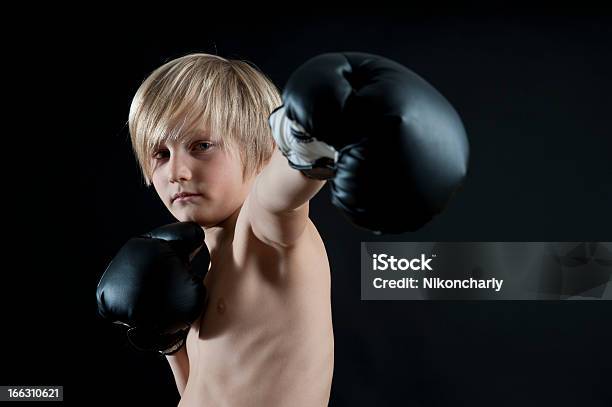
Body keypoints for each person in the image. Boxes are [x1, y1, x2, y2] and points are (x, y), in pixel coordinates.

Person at [96, 52, 469, 406]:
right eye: (161, 154)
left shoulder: (263, 228)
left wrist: (305, 140)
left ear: (261, 148)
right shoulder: (196, 265)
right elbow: (204, 392)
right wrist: (170, 343)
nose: (177, 172)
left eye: (202, 145)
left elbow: (281, 189)